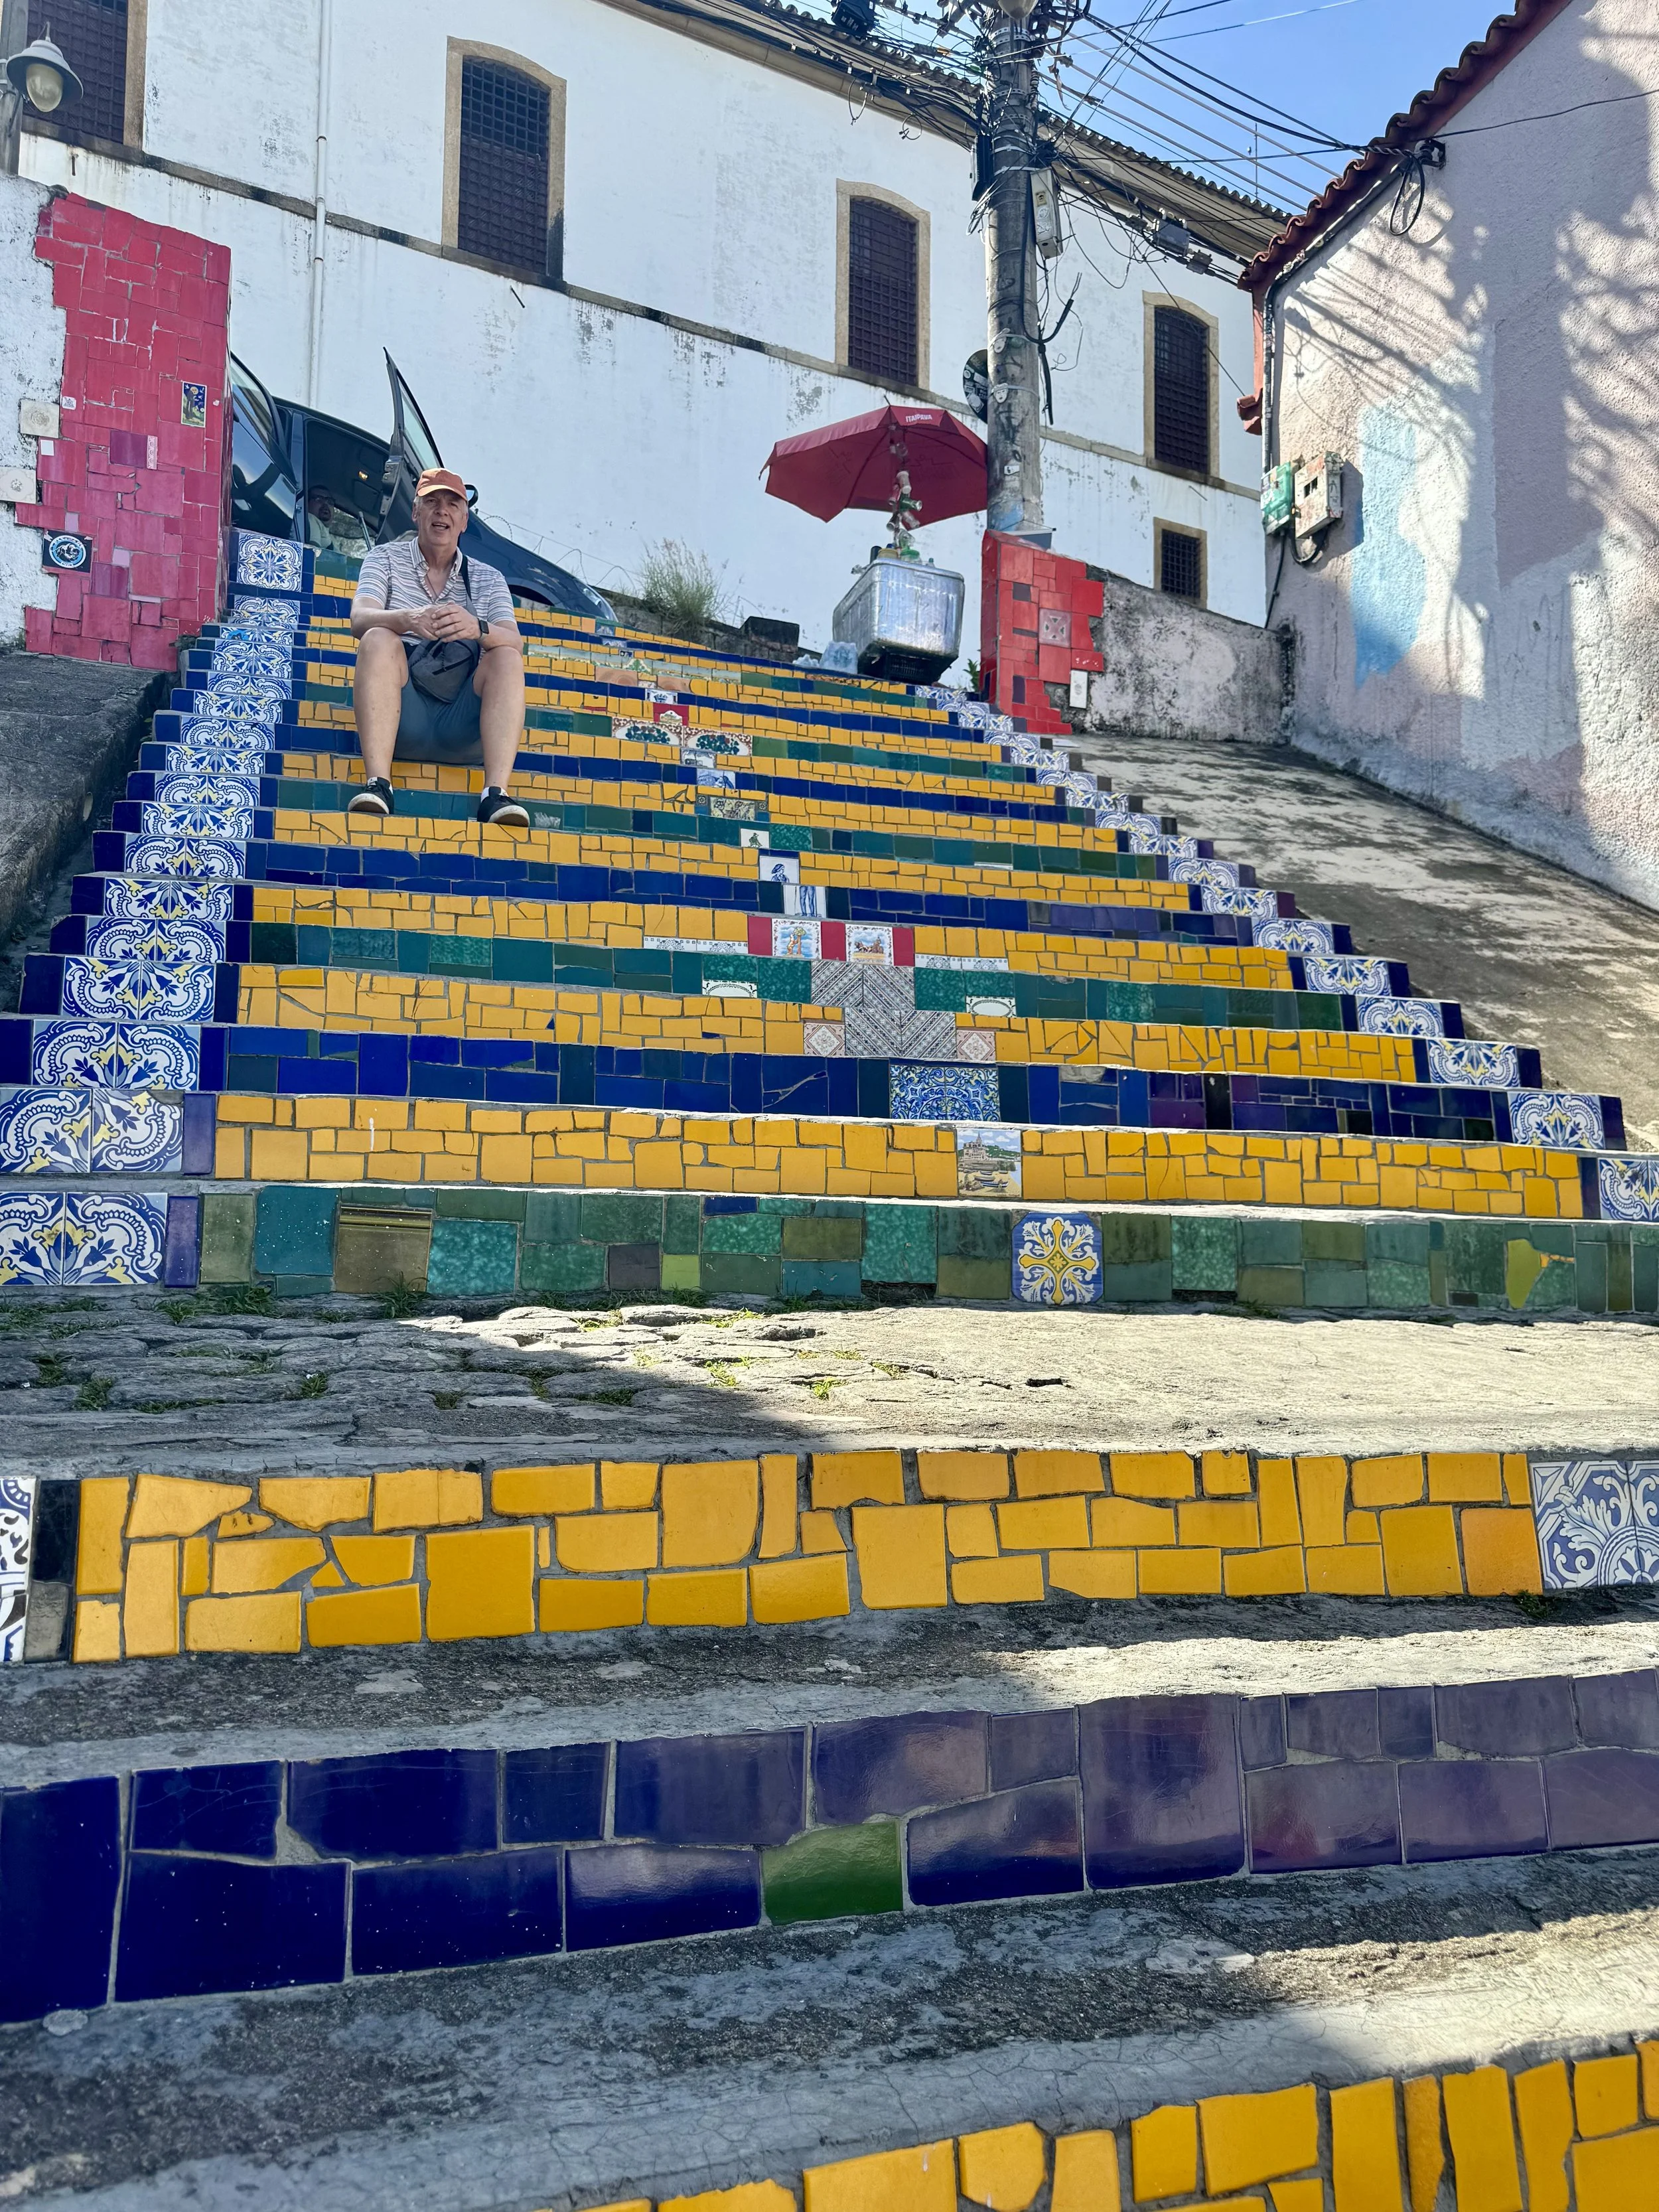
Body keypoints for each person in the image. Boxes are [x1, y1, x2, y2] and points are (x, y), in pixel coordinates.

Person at [347, 467, 530, 826]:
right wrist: (407, 620)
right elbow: (359, 619)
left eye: (452, 504)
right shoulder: (383, 559)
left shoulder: (488, 578)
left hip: (461, 720)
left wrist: (476, 627)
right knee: (378, 636)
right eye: (431, 502)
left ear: (464, 520)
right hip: (402, 712)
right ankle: (378, 784)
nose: (441, 511)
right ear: (416, 512)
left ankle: (495, 795)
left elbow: (514, 641)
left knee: (506, 657)